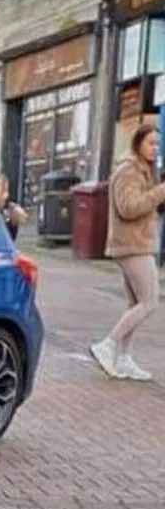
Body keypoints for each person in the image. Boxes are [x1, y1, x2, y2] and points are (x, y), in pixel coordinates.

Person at [90, 123, 165, 381]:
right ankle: (108, 345)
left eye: (158, 144)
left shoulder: (143, 171)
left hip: (137, 243)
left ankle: (124, 358)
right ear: (137, 144)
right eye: (151, 144)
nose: (156, 149)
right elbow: (128, 207)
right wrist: (159, 192)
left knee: (136, 303)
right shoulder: (128, 171)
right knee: (150, 301)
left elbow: (145, 206)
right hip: (131, 245)